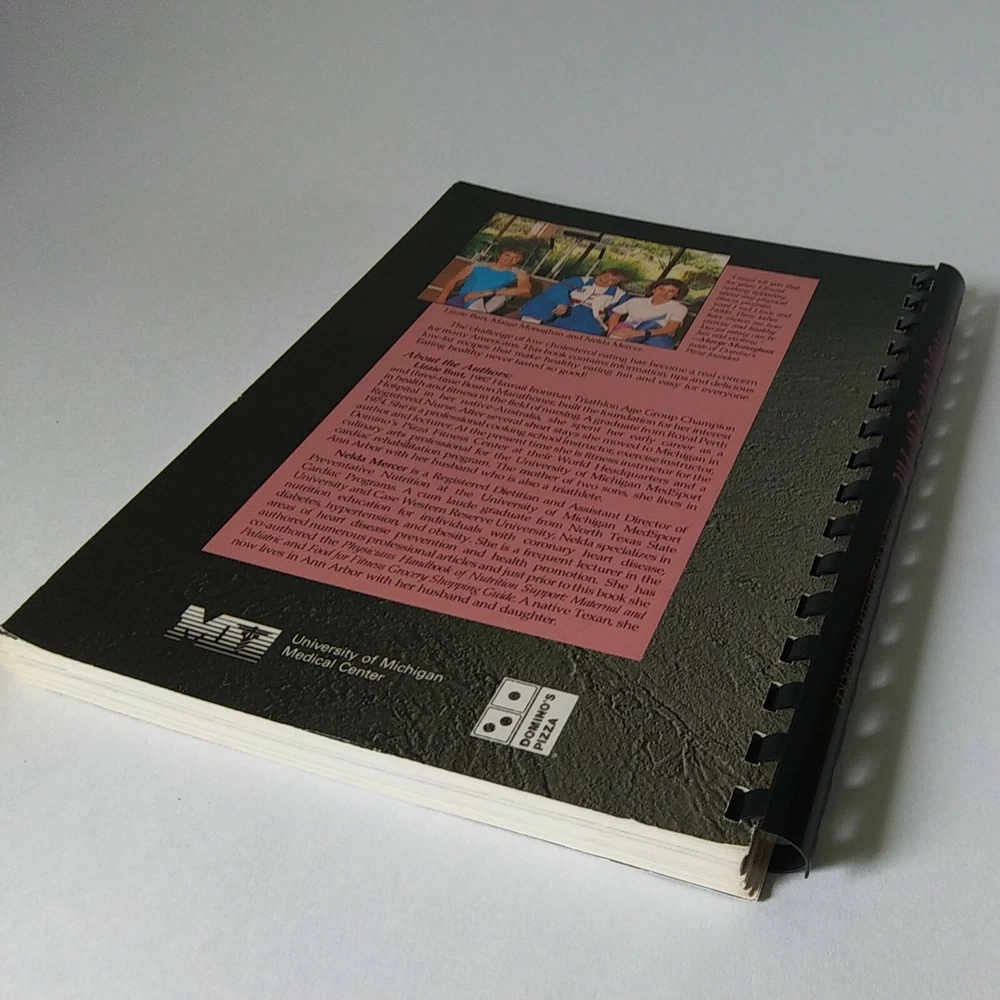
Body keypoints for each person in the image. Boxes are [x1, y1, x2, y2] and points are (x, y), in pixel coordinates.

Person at [519, 268, 629, 335]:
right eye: (606, 276)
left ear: (616, 284)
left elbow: (616, 314)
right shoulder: (582, 280)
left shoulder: (619, 294)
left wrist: (610, 331)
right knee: (548, 297)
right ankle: (530, 322)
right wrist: (563, 302)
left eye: (612, 280)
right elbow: (561, 288)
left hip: (588, 316)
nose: (606, 280)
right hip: (565, 307)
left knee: (590, 329)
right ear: (601, 273)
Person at [435, 246, 532, 313]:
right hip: (465, 297)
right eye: (507, 255)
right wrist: (442, 297)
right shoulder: (478, 266)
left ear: (519, 261)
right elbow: (454, 281)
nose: (510, 259)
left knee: (504, 294)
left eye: (516, 258)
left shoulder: (519, 273)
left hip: (486, 300)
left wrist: (488, 293)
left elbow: (524, 289)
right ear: (500, 255)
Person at [605, 278, 689, 348]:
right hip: (626, 332)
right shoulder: (636, 301)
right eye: (661, 289)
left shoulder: (679, 308)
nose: (664, 293)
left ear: (676, 295)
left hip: (654, 336)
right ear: (653, 289)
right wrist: (611, 331)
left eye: (671, 291)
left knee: (653, 326)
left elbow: (670, 328)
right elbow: (615, 314)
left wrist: (639, 333)